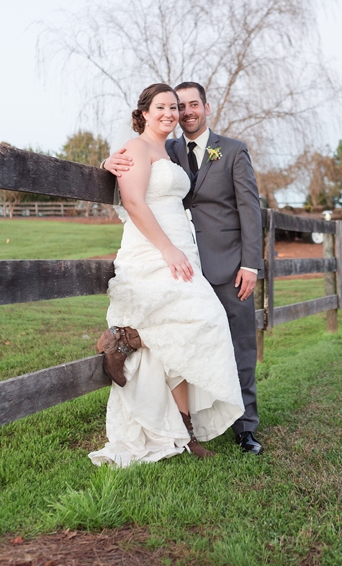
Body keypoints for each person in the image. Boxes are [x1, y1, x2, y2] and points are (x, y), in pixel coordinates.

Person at [104, 81, 265, 456]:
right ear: (146, 112)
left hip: (225, 263)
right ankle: (184, 427)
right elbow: (132, 175)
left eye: (187, 106)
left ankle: (245, 430)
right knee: (196, 330)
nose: (180, 113)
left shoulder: (231, 150)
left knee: (237, 342)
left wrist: (251, 264)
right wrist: (107, 163)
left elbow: (250, 211)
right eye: (173, 106)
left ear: (206, 108)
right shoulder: (167, 145)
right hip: (171, 253)